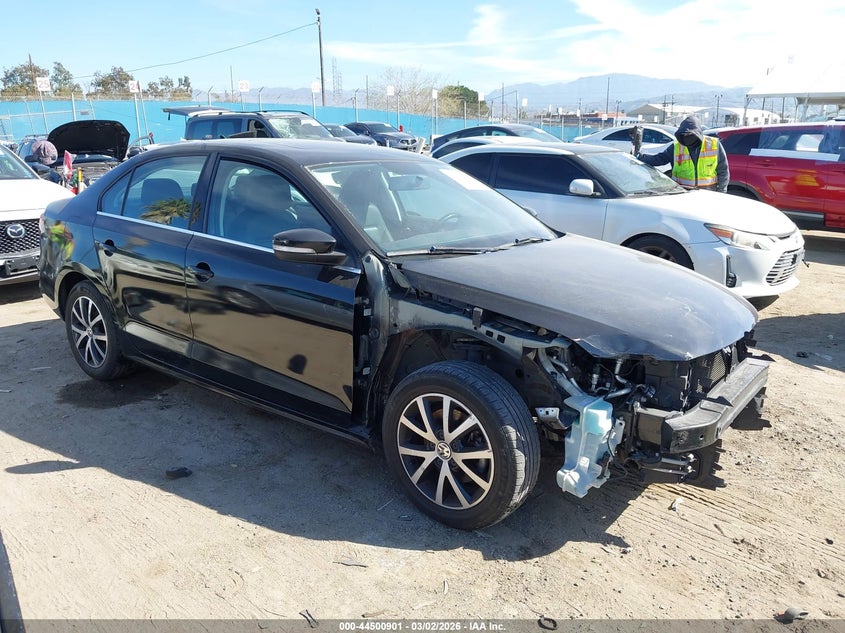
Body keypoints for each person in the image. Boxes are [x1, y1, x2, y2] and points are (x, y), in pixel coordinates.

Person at [637, 115, 729, 192]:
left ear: (698, 133)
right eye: (684, 135)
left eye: (690, 134)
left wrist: (721, 191)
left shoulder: (714, 145)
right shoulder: (676, 147)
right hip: (683, 194)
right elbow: (660, 159)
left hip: (708, 194)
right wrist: (640, 158)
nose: (687, 137)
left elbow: (723, 171)